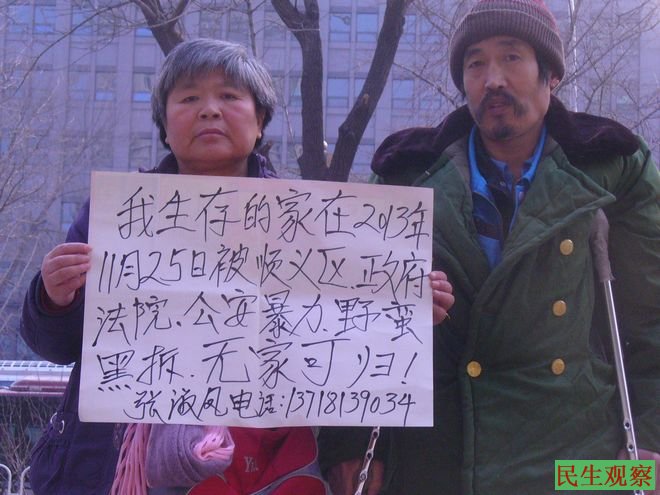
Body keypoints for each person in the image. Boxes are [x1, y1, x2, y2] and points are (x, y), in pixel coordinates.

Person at [318, 1, 660, 494]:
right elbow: (349, 316)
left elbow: (650, 318)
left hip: (577, 462)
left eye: (511, 57)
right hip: (434, 461)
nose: (492, 79)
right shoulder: (405, 172)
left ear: (551, 75)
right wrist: (349, 443)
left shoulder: (614, 164)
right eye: (475, 63)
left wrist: (649, 445)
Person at [20, 38, 329, 495]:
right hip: (115, 464)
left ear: (260, 120)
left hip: (259, 467)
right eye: (189, 98)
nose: (209, 110)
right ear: (164, 126)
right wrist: (53, 298)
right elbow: (55, 346)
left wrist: (404, 304)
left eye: (229, 95)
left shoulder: (306, 221)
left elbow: (340, 344)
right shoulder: (115, 214)